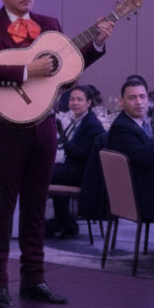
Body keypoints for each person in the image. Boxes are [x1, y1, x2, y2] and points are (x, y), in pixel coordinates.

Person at [0, 0, 112, 308]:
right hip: (7, 125)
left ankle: (34, 279)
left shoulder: (49, 23)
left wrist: (96, 44)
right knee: (2, 208)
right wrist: (29, 70)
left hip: (44, 123)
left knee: (36, 206)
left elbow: (65, 73)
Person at [48, 85, 104, 237]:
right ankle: (61, 221)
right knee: (48, 170)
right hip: (74, 167)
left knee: (44, 174)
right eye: (72, 99)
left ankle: (62, 222)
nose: (75, 103)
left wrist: (65, 143)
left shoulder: (92, 125)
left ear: (88, 102)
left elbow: (80, 152)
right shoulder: (80, 120)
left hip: (84, 173)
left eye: (79, 99)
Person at [106, 79, 154, 220]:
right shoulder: (121, 128)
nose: (139, 102)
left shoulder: (140, 123)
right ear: (121, 102)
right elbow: (142, 158)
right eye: (132, 98)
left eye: (142, 97)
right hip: (141, 197)